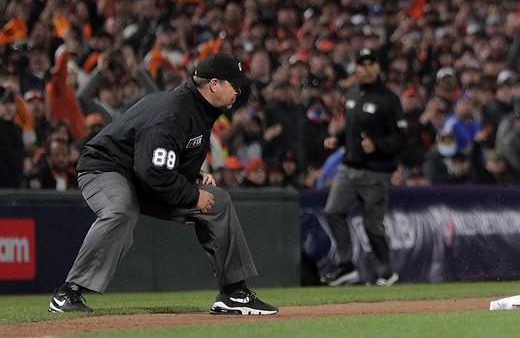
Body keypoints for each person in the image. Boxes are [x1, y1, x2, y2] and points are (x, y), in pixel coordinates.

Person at [48, 53, 277, 315]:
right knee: (121, 210)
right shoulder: (174, 111)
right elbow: (153, 171)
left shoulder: (199, 108)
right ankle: (69, 292)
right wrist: (192, 195)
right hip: (106, 168)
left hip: (142, 173)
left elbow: (163, 157)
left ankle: (233, 293)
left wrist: (195, 175)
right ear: (214, 84)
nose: (238, 90)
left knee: (218, 201)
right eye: (234, 84)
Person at [322, 47, 407, 287]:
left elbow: (401, 138)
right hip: (349, 168)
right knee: (332, 212)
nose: (367, 68)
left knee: (372, 225)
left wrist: (377, 145)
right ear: (356, 68)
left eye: (371, 63)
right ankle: (347, 265)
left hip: (376, 172)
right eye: (362, 63)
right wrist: (337, 139)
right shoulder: (351, 95)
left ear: (378, 67)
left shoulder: (389, 99)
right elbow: (351, 129)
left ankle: (386, 273)